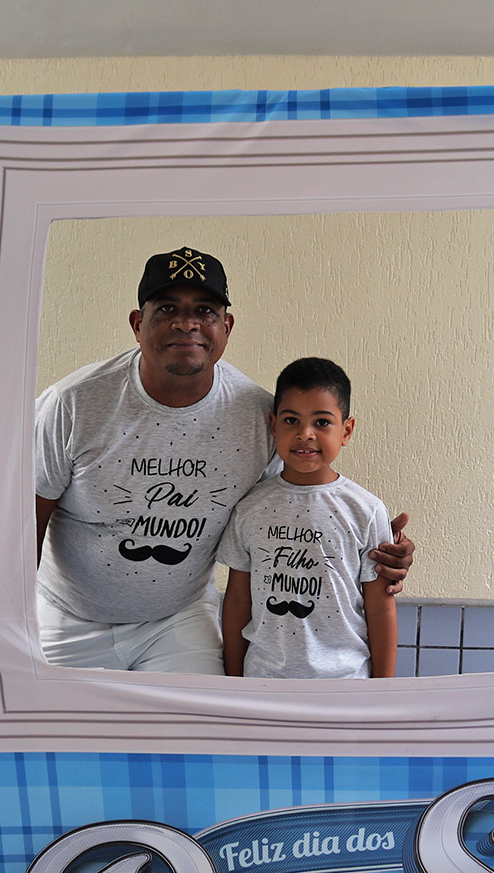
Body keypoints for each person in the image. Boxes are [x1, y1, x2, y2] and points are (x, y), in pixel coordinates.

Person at [33, 248, 412, 674]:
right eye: (167, 309)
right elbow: (23, 524)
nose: (186, 323)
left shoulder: (256, 416)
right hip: (67, 615)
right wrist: (3, 625)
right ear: (138, 324)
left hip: (178, 618)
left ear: (226, 327)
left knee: (201, 717)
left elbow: (291, 510)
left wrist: (379, 548)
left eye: (205, 311)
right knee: (36, 715)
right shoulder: (72, 404)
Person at [218, 358, 396, 679]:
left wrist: (383, 693)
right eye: (291, 420)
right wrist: (234, 682)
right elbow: (237, 602)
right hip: (264, 682)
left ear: (347, 431)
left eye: (322, 422)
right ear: (274, 426)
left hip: (344, 685)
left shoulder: (366, 511)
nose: (305, 434)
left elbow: (380, 608)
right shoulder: (249, 508)